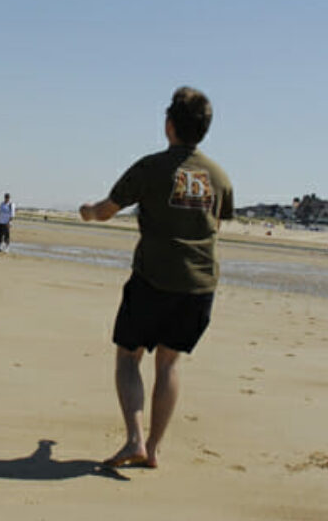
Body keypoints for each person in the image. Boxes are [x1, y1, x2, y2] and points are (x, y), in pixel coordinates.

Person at [79, 87, 234, 469]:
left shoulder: (151, 167)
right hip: (199, 284)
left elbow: (106, 210)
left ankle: (135, 440)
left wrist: (86, 212)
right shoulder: (218, 176)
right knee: (169, 364)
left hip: (153, 278)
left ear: (169, 125)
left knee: (129, 359)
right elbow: (214, 225)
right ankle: (155, 448)